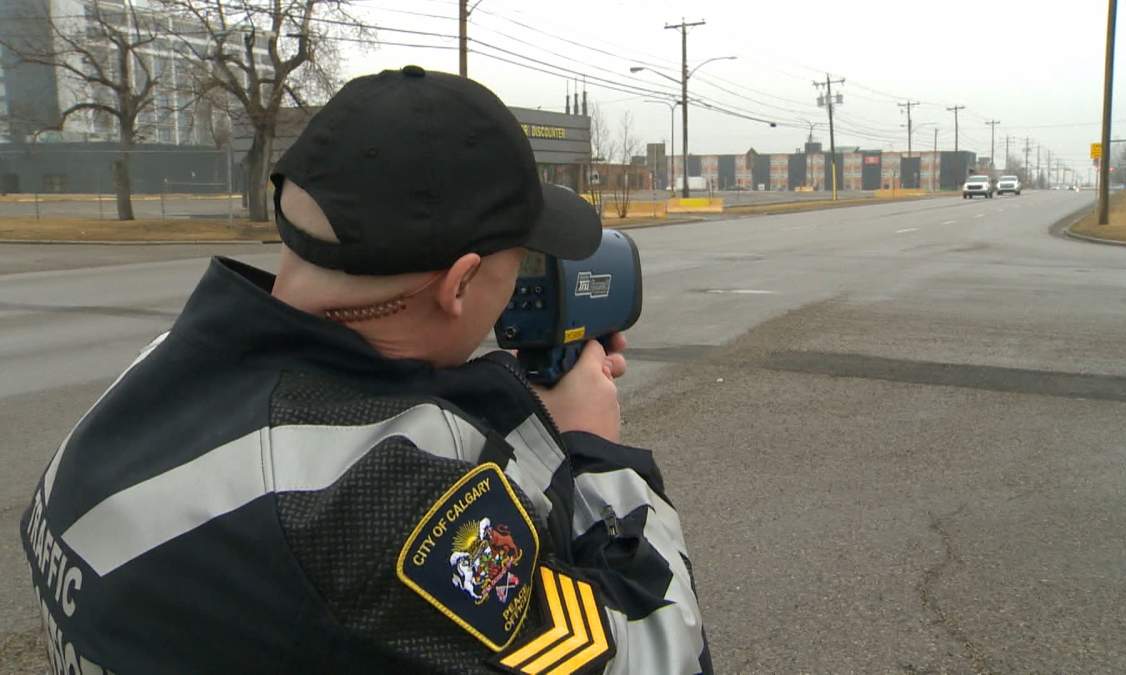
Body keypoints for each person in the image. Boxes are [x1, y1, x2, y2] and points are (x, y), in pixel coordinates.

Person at [19, 66, 711, 674]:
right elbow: (657, 655)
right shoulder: (380, 511)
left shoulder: (159, 372)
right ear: (461, 284)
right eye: (518, 265)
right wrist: (596, 454)